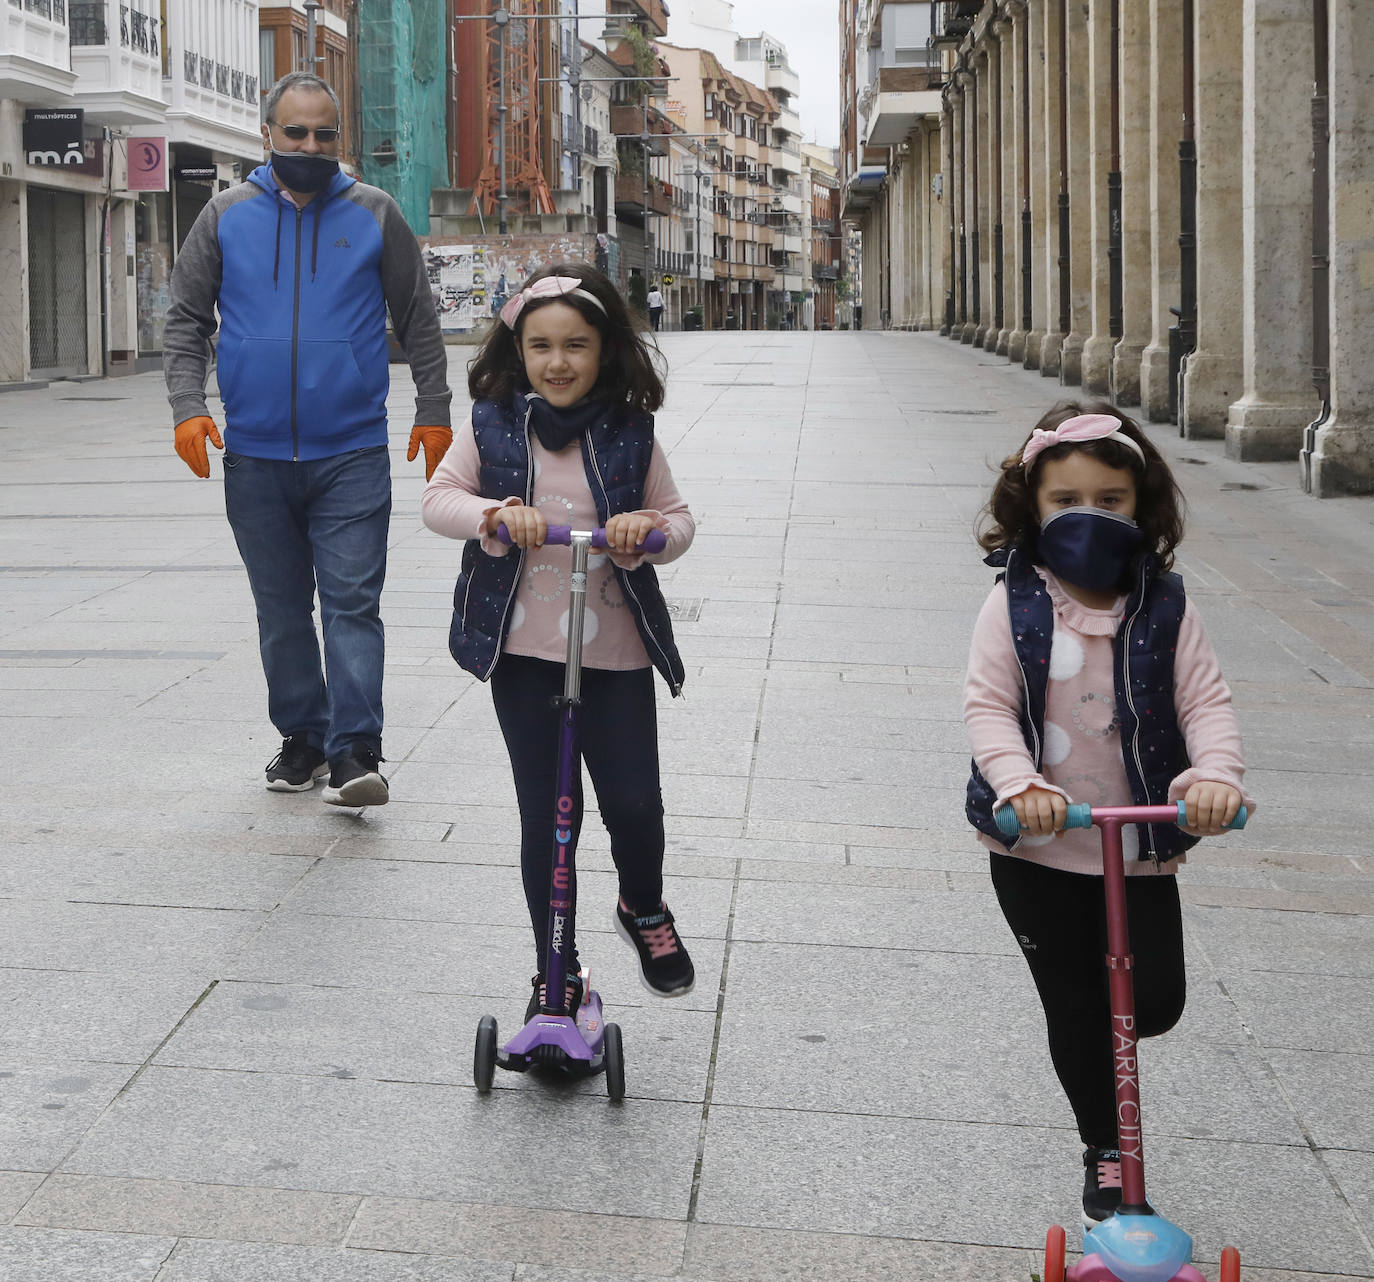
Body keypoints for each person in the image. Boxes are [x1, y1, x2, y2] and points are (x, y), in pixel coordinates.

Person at [962, 404, 1250, 1228]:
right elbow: (988, 706)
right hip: (1038, 849)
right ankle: (1107, 1147)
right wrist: (1020, 787)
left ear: (1143, 507)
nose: (1089, 518)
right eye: (1066, 501)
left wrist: (1215, 776)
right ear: (1032, 507)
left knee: (1151, 1000)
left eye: (1112, 501)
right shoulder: (1015, 604)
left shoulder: (1164, 607)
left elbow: (1207, 702)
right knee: (1079, 1004)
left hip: (1140, 845)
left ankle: (1113, 1100)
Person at [163, 71, 452, 808]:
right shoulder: (225, 215)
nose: (311, 145)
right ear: (267, 134)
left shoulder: (375, 212)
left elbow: (417, 318)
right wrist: (186, 406)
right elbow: (187, 320)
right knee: (282, 608)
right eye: (296, 132)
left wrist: (434, 408)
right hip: (255, 455)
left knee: (351, 604)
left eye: (325, 133)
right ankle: (302, 736)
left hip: (351, 450)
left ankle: (355, 749)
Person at [420, 264, 695, 1019]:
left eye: (576, 344)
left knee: (635, 802)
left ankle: (644, 908)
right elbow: (437, 500)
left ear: (606, 350)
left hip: (615, 657)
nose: (559, 362)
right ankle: (556, 967)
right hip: (522, 652)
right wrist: (496, 513)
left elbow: (678, 521)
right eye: (541, 346)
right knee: (547, 815)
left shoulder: (631, 436)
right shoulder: (492, 425)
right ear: (518, 352)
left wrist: (650, 532)